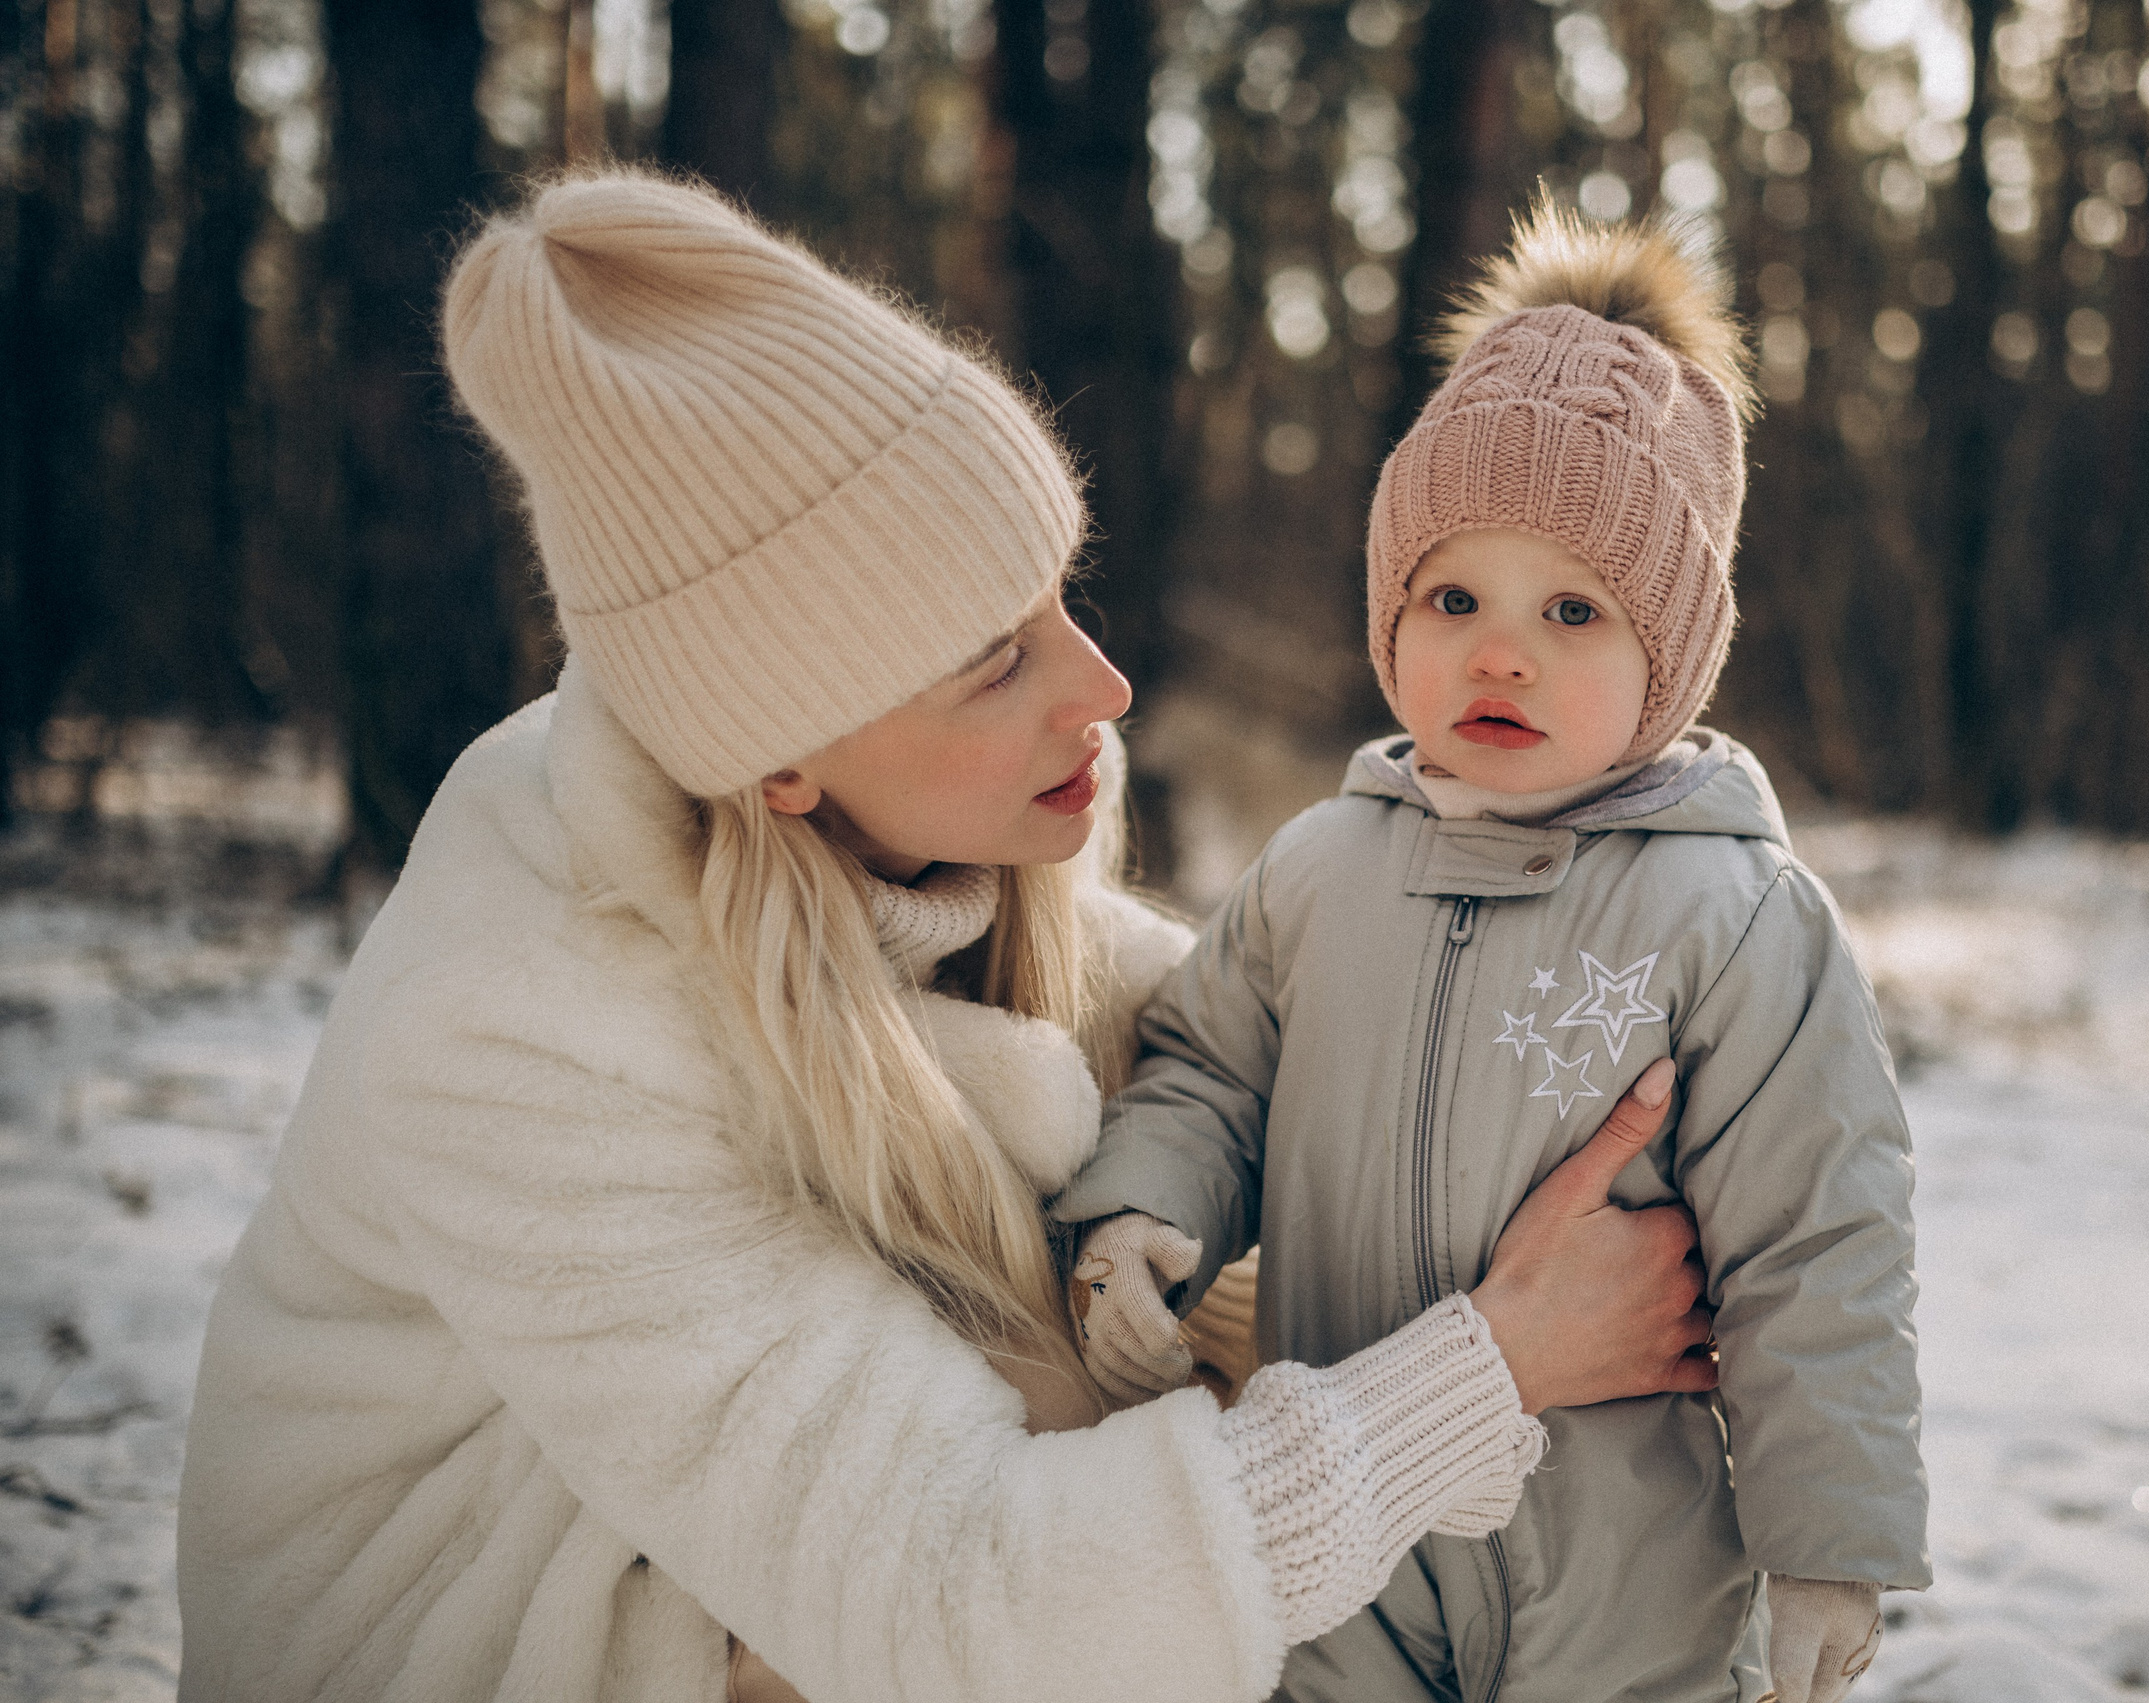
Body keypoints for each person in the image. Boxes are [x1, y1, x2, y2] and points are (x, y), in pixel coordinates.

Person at [171, 172, 1717, 1703]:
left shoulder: (947, 838)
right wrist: (1489, 1370)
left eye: (1058, 596)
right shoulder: (517, 1030)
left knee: (1173, 1309)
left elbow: (1253, 1059)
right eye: (995, 661)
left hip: (739, 1563)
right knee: (1079, 1423)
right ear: (781, 754)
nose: (1100, 686)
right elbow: (961, 1605)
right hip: (494, 1638)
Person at [1053, 198, 1931, 1703]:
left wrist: (1828, 1539)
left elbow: (1821, 1245)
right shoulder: (1320, 869)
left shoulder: (1733, 918)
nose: (1500, 651)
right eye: (1453, 597)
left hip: (1626, 1580)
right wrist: (1146, 1203)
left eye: (1573, 611)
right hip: (1354, 1531)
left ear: (1672, 662)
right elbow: (1207, 1070)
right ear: (1391, 620)